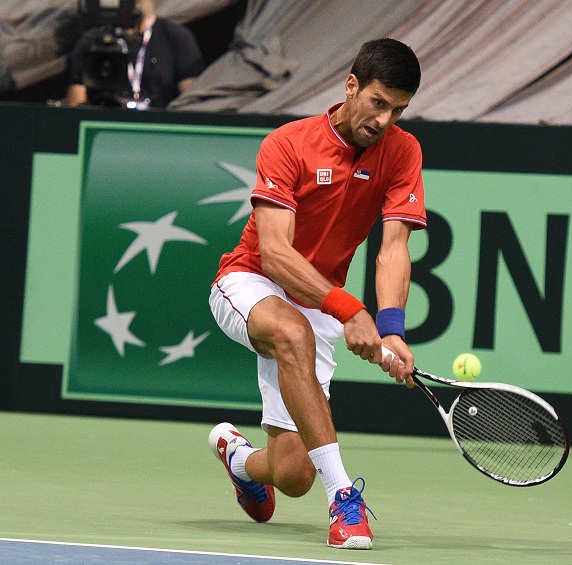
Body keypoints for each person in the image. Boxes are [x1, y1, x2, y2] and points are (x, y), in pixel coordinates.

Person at [207, 38, 424, 549]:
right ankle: (344, 498)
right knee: (292, 332)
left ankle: (239, 460)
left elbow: (394, 249)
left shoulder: (402, 151)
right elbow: (276, 253)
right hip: (250, 281)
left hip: (316, 299)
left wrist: (391, 328)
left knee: (292, 474)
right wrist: (350, 310)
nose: (385, 120)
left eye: (397, 110)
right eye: (378, 103)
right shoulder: (288, 144)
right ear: (351, 86)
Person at [65, 0, 205, 108]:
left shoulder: (176, 36)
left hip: (159, 123)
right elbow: (76, 101)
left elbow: (191, 98)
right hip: (109, 122)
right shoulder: (91, 41)